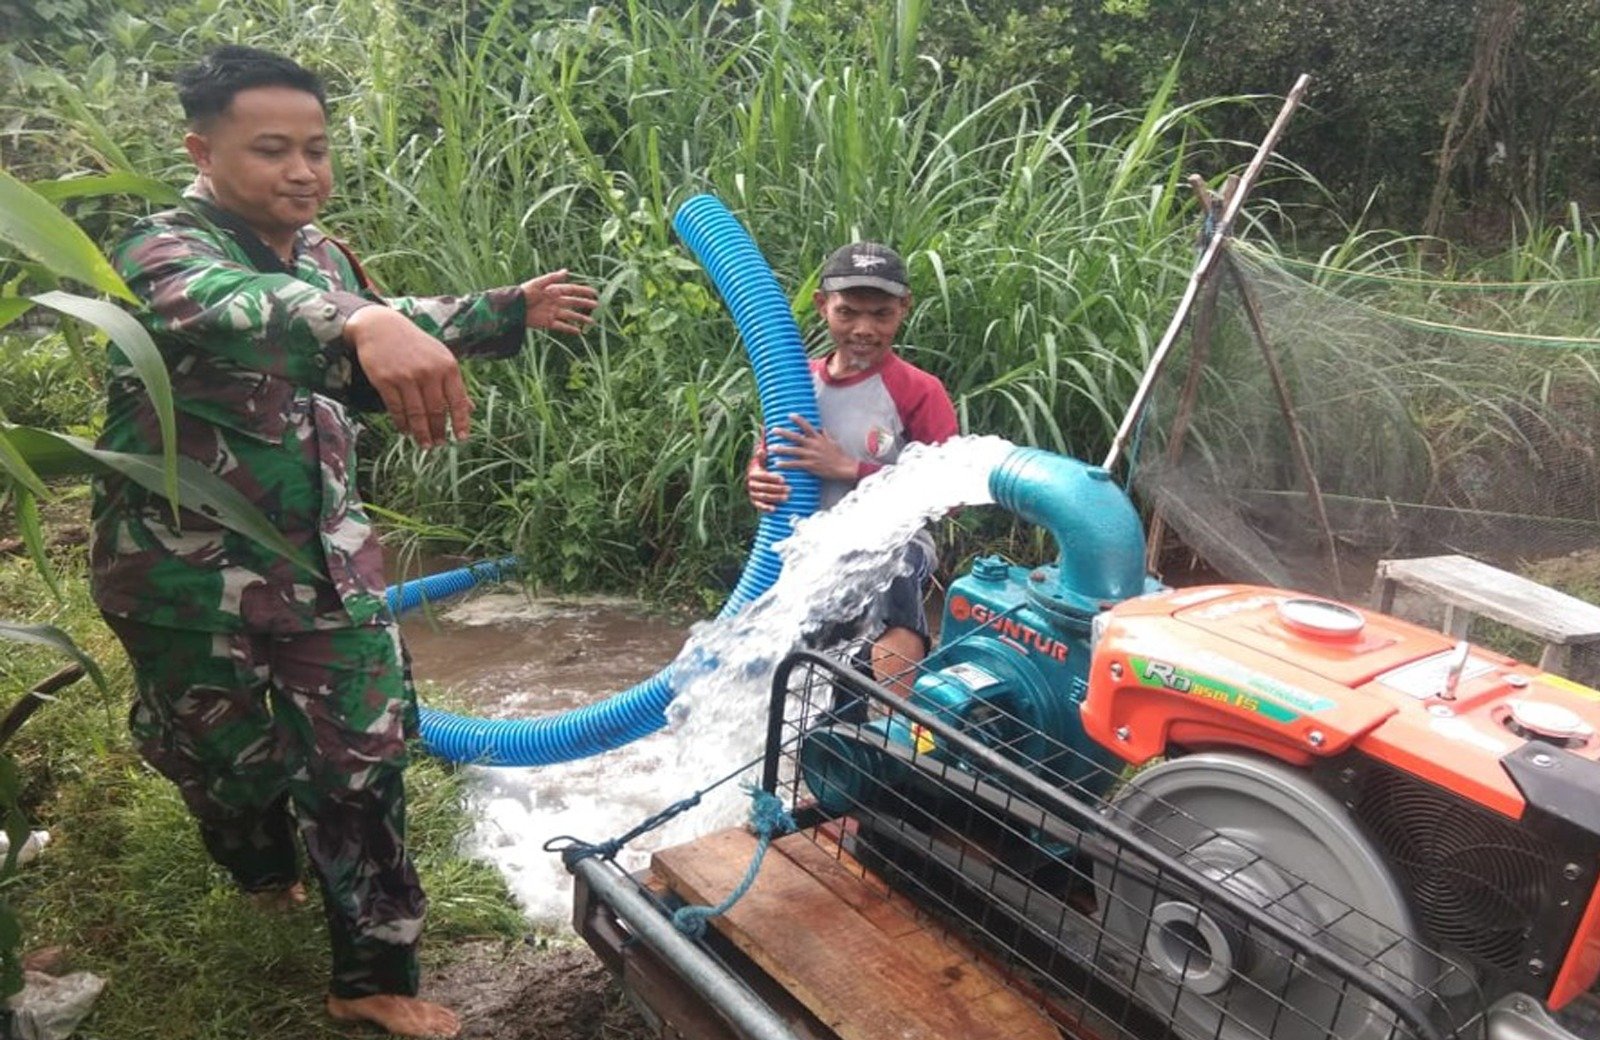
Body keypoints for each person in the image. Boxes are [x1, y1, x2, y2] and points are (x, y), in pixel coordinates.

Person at [89, 46, 598, 1038]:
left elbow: (386, 328)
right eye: (272, 148)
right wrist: (361, 317)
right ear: (202, 149)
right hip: (184, 576)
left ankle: (371, 971)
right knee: (223, 763)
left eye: (315, 148)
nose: (302, 170)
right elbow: (251, 312)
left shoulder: (322, 253)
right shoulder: (155, 249)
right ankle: (257, 857)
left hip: (330, 563)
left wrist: (508, 310)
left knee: (361, 766)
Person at [745, 242, 959, 694]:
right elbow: (768, 456)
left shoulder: (919, 391)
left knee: (892, 569)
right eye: (848, 313)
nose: (864, 329)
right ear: (823, 306)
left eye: (881, 315)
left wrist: (850, 468)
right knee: (796, 676)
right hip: (810, 546)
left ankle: (893, 730)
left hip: (893, 542)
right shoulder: (795, 381)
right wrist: (757, 477)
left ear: (904, 309)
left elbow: (952, 495)